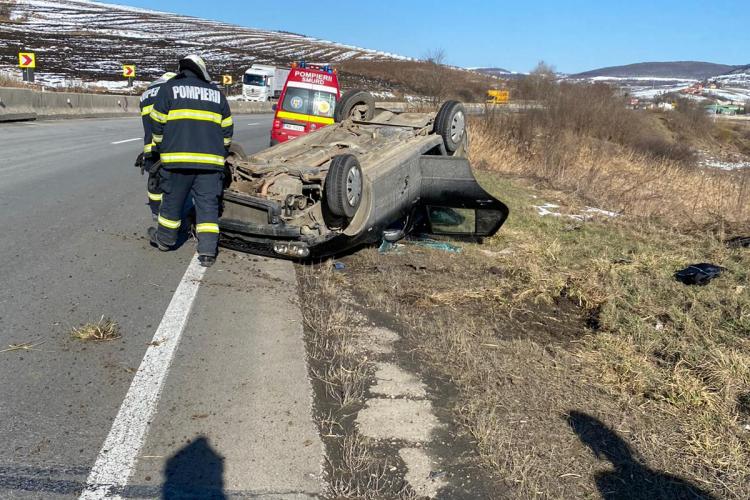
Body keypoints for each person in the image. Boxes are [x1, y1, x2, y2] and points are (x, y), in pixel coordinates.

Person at [148, 55, 233, 267]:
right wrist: (220, 152)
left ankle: (166, 240)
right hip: (210, 165)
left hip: (176, 162)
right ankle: (207, 252)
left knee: (172, 202)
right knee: (207, 206)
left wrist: (161, 147)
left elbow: (156, 124)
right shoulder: (217, 94)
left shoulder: (169, 89)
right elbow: (227, 131)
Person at [138, 71, 176, 218]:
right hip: (166, 144)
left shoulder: (145, 94)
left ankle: (155, 211)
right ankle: (169, 212)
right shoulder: (169, 91)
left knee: (154, 179)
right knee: (170, 180)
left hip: (149, 145)